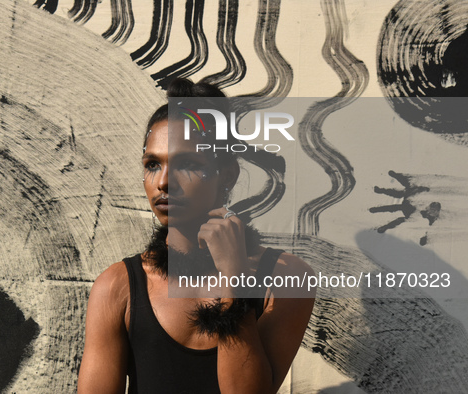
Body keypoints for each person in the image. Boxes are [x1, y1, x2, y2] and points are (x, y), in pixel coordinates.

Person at [78, 78, 315, 394]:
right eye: (152, 164)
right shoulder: (116, 286)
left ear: (227, 174)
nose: (163, 182)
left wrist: (235, 281)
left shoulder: (288, 279)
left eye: (186, 164)